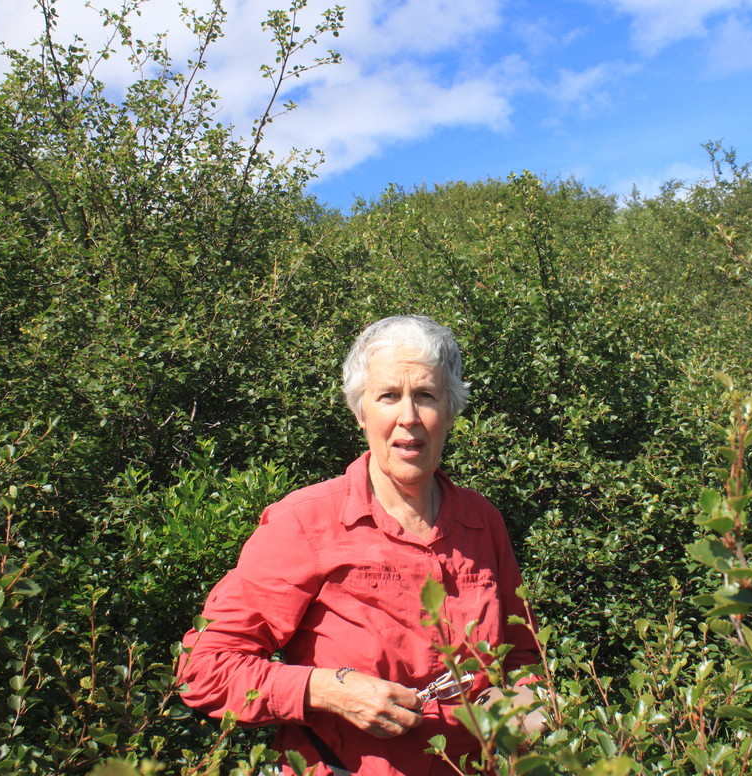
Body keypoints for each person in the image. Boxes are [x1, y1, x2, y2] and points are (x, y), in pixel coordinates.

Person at [178, 315, 541, 775]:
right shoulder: (306, 521)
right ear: (360, 411)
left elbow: (523, 653)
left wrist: (525, 700)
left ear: (450, 411)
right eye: (388, 396)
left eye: (426, 396)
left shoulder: (481, 522)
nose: (408, 416)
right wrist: (331, 690)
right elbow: (203, 668)